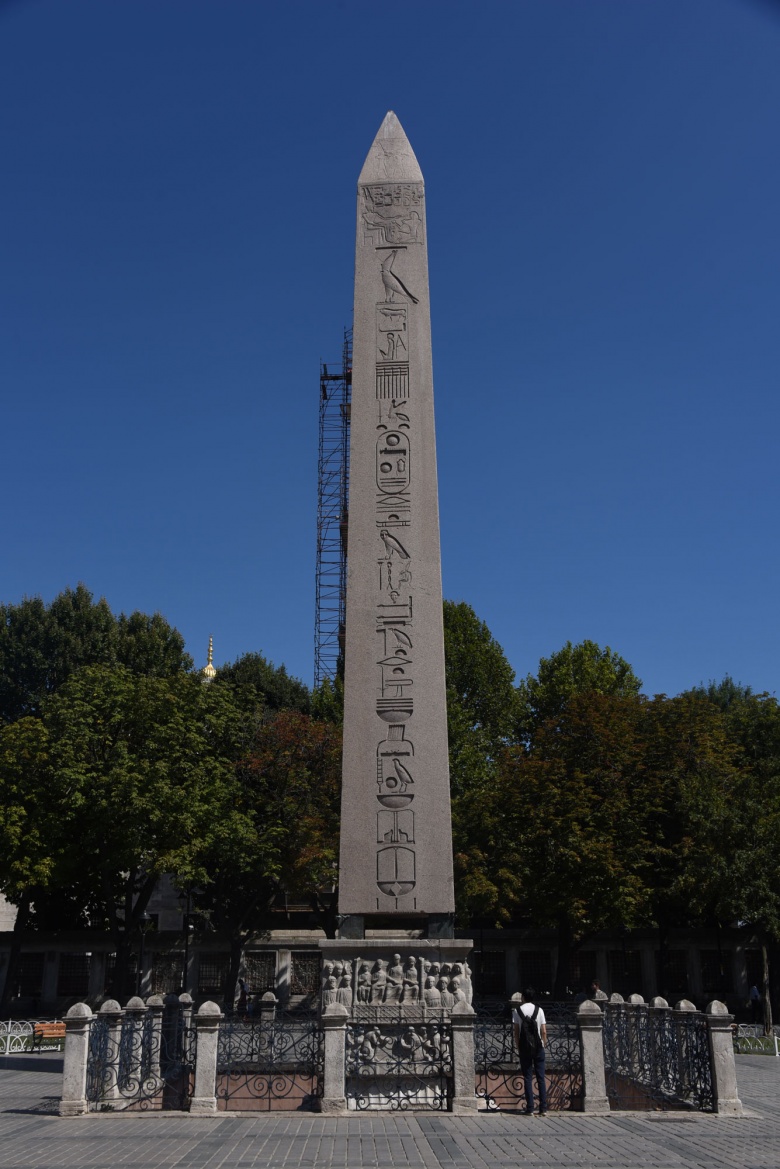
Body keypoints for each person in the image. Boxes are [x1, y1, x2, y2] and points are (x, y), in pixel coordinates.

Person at [512, 988, 548, 1116]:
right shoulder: (539, 1010)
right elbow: (543, 1030)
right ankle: (543, 1108)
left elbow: (516, 1031)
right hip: (538, 1047)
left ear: (523, 997)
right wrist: (544, 1043)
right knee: (541, 1078)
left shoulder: (517, 1011)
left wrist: (518, 1046)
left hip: (525, 1047)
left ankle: (530, 1108)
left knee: (527, 1077)